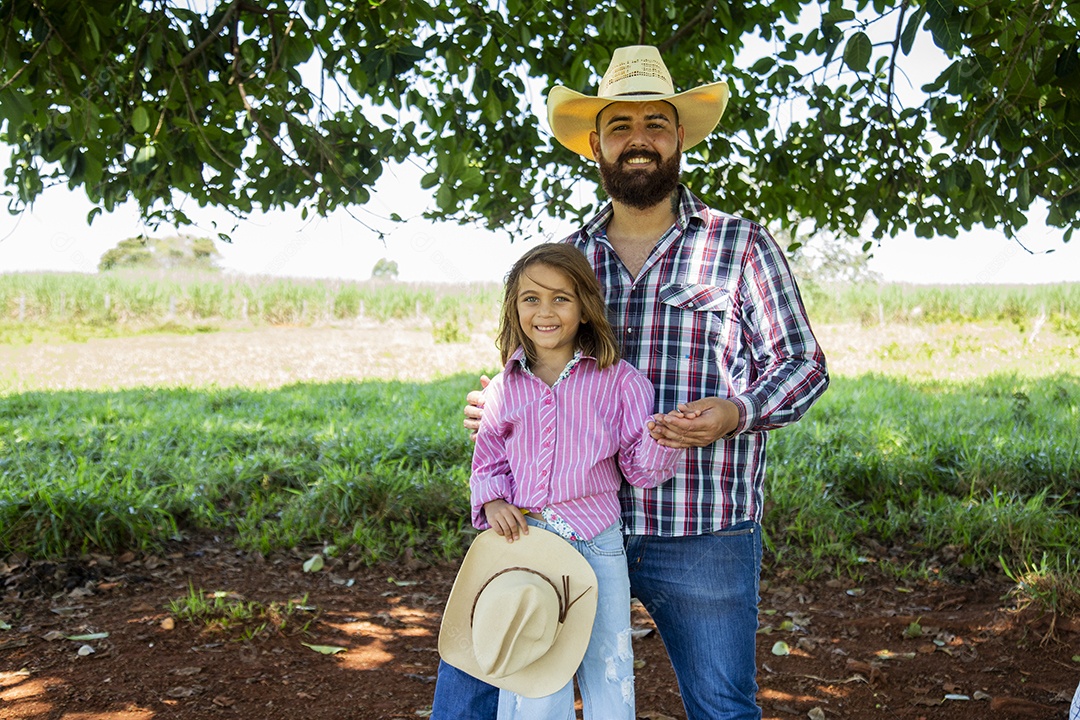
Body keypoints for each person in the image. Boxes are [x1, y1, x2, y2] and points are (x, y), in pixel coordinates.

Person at [433, 45, 829, 720]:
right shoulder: (567, 256)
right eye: (620, 125)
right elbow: (530, 364)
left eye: (655, 123)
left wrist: (736, 412)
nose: (638, 138)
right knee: (475, 682)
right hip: (553, 521)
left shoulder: (739, 246)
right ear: (596, 144)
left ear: (679, 137)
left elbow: (803, 365)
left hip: (698, 524)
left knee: (722, 706)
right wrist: (500, 400)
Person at [438, 242, 684, 719]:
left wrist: (663, 438)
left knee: (609, 666)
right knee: (534, 670)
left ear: (585, 308)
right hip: (526, 542)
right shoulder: (504, 388)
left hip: (597, 542)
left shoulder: (620, 382)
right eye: (531, 299)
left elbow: (639, 470)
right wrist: (492, 502)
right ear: (514, 308)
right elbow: (488, 461)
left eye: (561, 298)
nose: (545, 311)